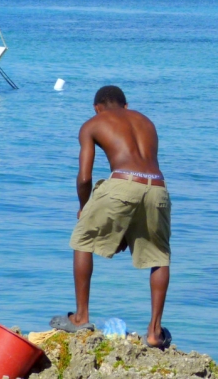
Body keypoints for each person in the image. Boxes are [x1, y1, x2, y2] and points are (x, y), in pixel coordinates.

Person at [50, 85, 172, 349]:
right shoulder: (146, 122)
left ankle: (81, 317)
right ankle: (154, 332)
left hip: (122, 182)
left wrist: (85, 209)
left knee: (82, 240)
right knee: (160, 256)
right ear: (126, 105)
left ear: (97, 108)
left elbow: (84, 178)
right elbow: (142, 181)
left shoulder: (93, 124)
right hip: (158, 187)